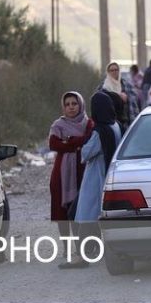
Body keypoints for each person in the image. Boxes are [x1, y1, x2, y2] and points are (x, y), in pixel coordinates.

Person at [63, 91, 122, 269]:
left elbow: (86, 153)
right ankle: (91, 252)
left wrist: (82, 144)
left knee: (83, 218)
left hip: (95, 178)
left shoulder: (100, 131)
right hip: (107, 176)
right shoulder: (115, 126)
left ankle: (83, 257)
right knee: (86, 216)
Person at [48, 92, 94, 230]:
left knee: (79, 210)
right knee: (62, 213)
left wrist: (69, 140)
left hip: (83, 170)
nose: (71, 107)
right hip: (61, 174)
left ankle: (80, 245)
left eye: (74, 103)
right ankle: (66, 248)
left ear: (80, 105)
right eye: (67, 104)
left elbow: (88, 139)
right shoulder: (58, 125)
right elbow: (54, 144)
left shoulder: (88, 123)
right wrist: (77, 143)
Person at [97, 61, 139, 128]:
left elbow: (134, 99)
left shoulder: (125, 84)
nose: (114, 72)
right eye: (112, 70)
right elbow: (99, 100)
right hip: (110, 120)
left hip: (125, 119)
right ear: (108, 72)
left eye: (116, 70)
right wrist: (117, 96)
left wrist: (127, 98)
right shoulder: (103, 86)